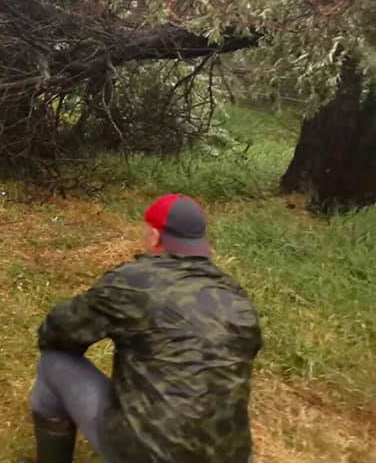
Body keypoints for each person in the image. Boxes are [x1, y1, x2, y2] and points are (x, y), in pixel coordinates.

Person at [24, 194, 262, 463]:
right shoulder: (236, 296)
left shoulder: (135, 281)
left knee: (54, 361)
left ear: (154, 236)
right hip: (232, 457)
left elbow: (57, 332)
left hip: (152, 455)